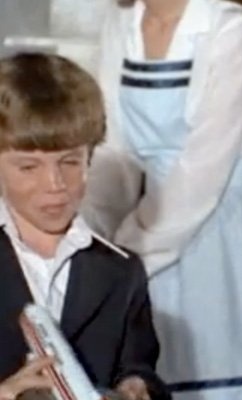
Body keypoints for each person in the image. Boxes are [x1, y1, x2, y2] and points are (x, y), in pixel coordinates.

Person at [82, 0, 242, 399]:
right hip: (146, 223)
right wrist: (88, 234)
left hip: (220, 238)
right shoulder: (120, 25)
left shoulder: (232, 29)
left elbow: (204, 167)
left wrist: (131, 252)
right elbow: (116, 155)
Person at [0, 52, 169, 400]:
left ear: (90, 157)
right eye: (28, 167)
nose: (55, 184)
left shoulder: (122, 272)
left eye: (70, 162)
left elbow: (139, 369)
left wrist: (136, 389)